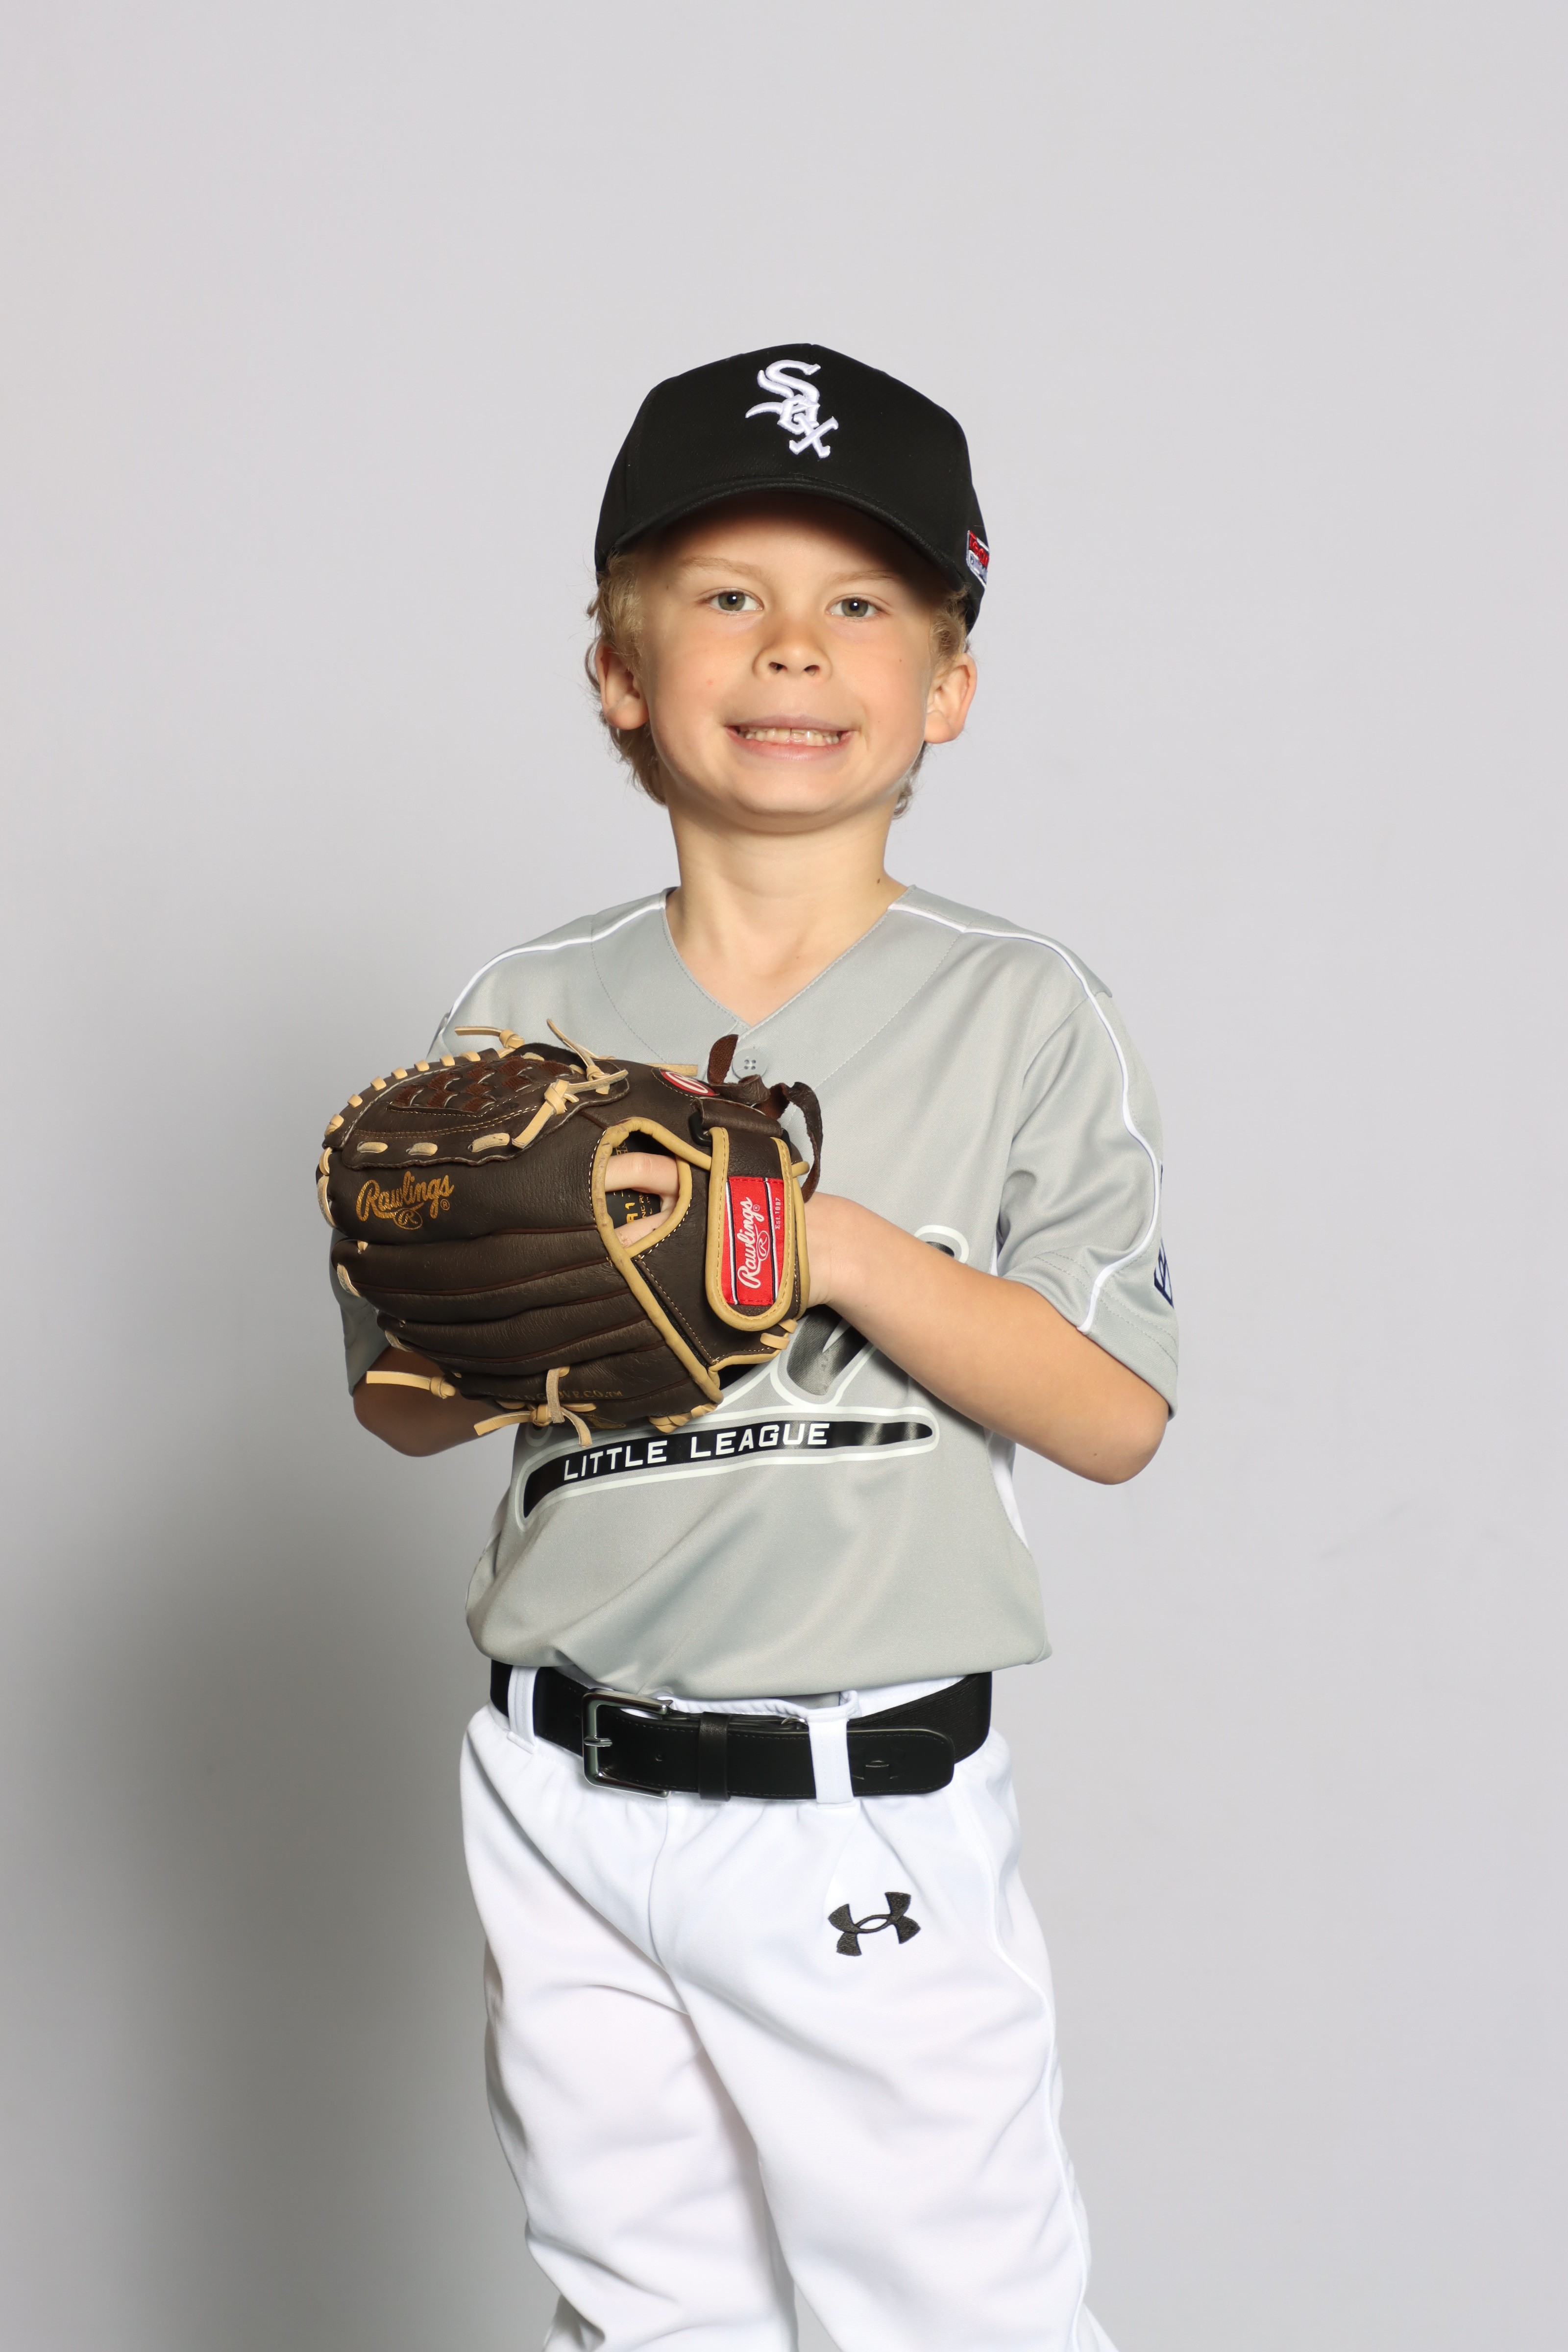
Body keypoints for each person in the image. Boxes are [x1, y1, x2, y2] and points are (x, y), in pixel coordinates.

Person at [338, 344, 1178, 2351]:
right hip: (556, 1783)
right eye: (726, 594)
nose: (793, 645)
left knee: (953, 2322)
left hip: (850, 1786)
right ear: (620, 671)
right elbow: (397, 1405)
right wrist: (518, 1304)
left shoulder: (1019, 1009)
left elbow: (1113, 1415)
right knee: (641, 2315)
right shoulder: (523, 1012)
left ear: (946, 687)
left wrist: (816, 1246)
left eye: (860, 602)